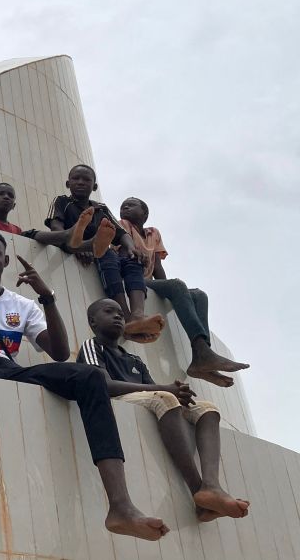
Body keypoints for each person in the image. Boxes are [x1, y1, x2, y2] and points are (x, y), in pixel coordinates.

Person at [0, 227, 169, 542]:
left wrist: (47, 298)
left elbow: (60, 353)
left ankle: (120, 505)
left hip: (10, 368)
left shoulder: (22, 304)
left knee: (89, 376)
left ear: (6, 260)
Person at [79, 298, 250, 521]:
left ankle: (211, 485)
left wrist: (179, 394)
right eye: (109, 311)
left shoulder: (133, 358)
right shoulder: (92, 346)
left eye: (121, 313)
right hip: (114, 400)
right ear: (93, 322)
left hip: (147, 397)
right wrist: (166, 389)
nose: (118, 316)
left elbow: (151, 388)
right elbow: (103, 384)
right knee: (166, 398)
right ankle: (198, 490)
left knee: (207, 409)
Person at [118, 197, 248, 386]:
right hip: (132, 279)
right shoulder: (122, 225)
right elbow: (122, 254)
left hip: (151, 282)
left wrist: (170, 291)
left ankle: (201, 355)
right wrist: (174, 287)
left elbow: (158, 268)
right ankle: (203, 356)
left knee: (199, 295)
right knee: (178, 285)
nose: (125, 207)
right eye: (123, 205)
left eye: (131, 204)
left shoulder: (153, 233)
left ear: (145, 213)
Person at [28, 164, 163, 341]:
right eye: (76, 179)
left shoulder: (101, 209)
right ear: (68, 184)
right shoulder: (62, 201)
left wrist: (131, 248)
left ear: (95, 186)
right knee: (106, 254)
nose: (81, 182)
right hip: (68, 244)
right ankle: (125, 314)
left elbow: (121, 234)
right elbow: (55, 228)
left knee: (130, 258)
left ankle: (137, 316)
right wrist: (76, 246)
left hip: (98, 250)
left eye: (86, 179)